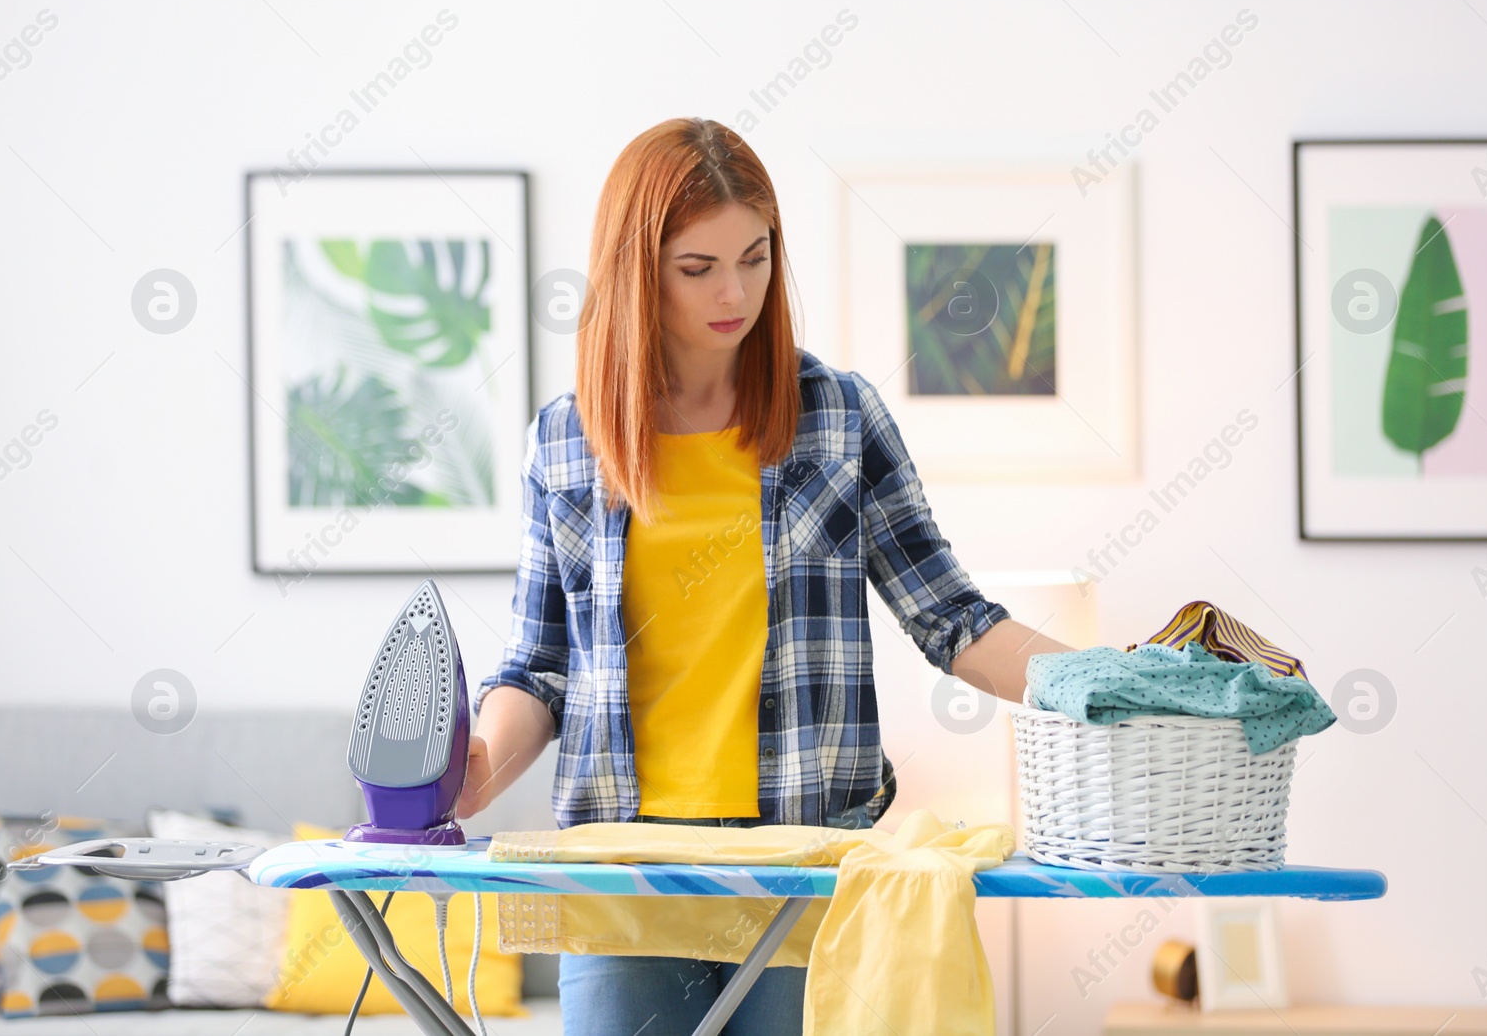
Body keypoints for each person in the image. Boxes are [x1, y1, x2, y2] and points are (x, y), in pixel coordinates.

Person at [455, 116, 1075, 1035]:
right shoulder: (567, 439)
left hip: (801, 862)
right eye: (697, 268)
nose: (735, 292)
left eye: (755, 257)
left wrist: (1099, 684)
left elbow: (953, 619)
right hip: (622, 874)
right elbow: (541, 667)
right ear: (635, 270)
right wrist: (472, 773)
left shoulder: (840, 417)